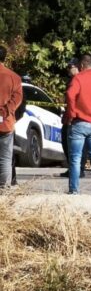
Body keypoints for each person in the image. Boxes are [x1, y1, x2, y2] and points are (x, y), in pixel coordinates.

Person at [65, 54, 91, 195]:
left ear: (81, 66)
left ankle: (74, 190)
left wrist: (71, 114)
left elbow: (70, 95)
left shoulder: (78, 78)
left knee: (75, 158)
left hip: (79, 122)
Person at [58, 58, 87, 179]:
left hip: (76, 117)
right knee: (67, 143)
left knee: (76, 145)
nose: (68, 70)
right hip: (71, 116)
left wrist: (70, 116)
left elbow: (73, 99)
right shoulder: (72, 80)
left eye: (70, 67)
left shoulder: (78, 80)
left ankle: (78, 169)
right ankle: (73, 167)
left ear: (77, 67)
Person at [0, 45, 22, 189]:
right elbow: (17, 99)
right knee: (5, 159)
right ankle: (3, 190)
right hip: (6, 123)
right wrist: (5, 111)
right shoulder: (14, 77)